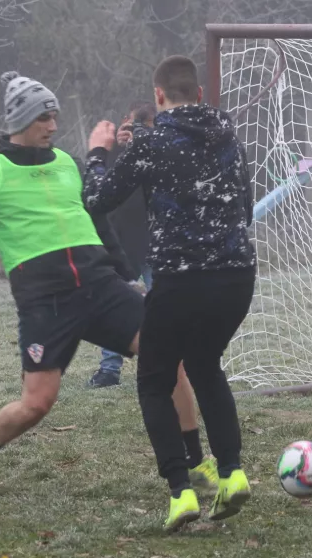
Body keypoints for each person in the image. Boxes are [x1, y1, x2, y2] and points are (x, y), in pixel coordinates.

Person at [0, 71, 217, 497]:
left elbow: (100, 221)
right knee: (37, 403)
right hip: (45, 301)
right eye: (45, 118)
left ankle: (197, 463)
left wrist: (124, 273)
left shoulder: (69, 164)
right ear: (23, 120)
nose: (53, 126)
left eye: (54, 116)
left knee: (167, 356)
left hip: (101, 287)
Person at [82, 55, 256, 532]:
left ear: (159, 97)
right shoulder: (230, 139)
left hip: (181, 280)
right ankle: (232, 472)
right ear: (199, 94)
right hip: (238, 275)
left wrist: (97, 154)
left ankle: (181, 492)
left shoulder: (150, 141)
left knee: (154, 381)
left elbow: (97, 200)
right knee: (204, 365)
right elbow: (246, 207)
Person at [89, 101, 156, 388]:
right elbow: (99, 188)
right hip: (119, 242)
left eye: (139, 125)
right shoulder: (113, 154)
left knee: (163, 306)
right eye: (128, 124)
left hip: (153, 243)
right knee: (114, 307)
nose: (132, 131)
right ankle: (109, 370)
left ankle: (169, 364)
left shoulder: (159, 151)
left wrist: (140, 144)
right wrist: (115, 149)